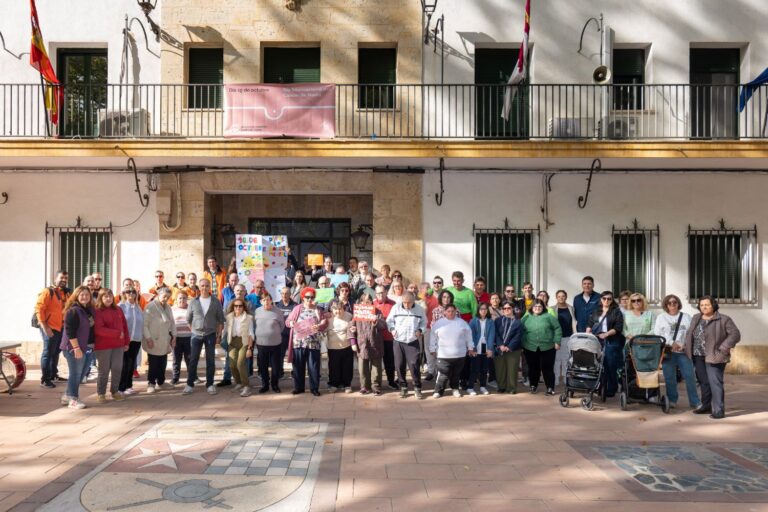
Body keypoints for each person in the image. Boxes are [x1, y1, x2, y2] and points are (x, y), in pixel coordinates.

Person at [684, 296, 741, 419]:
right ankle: (706, 406)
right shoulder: (696, 318)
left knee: (715, 382)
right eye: (702, 305)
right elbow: (690, 334)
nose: (704, 307)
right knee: (703, 382)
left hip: (715, 355)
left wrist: (724, 347)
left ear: (713, 305)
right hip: (697, 354)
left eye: (707, 305)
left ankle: (719, 410)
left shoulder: (724, 319)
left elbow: (735, 334)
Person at [654, 294, 699, 410]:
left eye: (675, 302)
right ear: (666, 305)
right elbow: (658, 334)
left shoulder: (686, 317)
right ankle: (672, 400)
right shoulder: (661, 318)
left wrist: (684, 345)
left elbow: (691, 333)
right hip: (668, 351)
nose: (672, 304)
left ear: (678, 304)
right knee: (670, 378)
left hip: (683, 351)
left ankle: (695, 402)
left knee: (689, 377)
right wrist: (671, 342)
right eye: (669, 303)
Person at [184, 278, 225, 395]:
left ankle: (210, 384)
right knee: (193, 360)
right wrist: (193, 330)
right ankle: (189, 384)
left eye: (207, 286)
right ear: (199, 287)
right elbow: (188, 319)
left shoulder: (215, 301)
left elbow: (221, 320)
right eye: (202, 285)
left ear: (210, 287)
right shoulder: (193, 302)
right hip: (196, 335)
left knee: (210, 360)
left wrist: (219, 335)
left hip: (210, 334)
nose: (204, 288)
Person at [286, 287, 328, 396]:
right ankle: (299, 387)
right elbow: (288, 321)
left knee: (313, 367)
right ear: (303, 298)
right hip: (298, 342)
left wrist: (320, 325)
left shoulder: (318, 309)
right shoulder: (297, 308)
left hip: (313, 343)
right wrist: (291, 323)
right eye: (307, 297)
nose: (309, 299)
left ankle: (314, 388)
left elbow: (325, 323)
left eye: (312, 297)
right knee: (298, 366)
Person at [386, 291, 427, 399]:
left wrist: (420, 330)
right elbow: (389, 321)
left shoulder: (419, 309)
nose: (406, 305)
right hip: (398, 341)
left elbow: (424, 323)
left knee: (414, 365)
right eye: (404, 302)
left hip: (412, 341)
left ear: (413, 301)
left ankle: (417, 388)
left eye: (408, 303)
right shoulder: (396, 308)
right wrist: (392, 329)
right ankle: (403, 387)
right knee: (399, 365)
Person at [60, 286, 95, 409]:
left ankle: (67, 395)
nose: (84, 297)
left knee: (82, 374)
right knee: (75, 374)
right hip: (73, 348)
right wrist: (76, 348)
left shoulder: (88, 309)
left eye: (87, 294)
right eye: (82, 295)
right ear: (76, 296)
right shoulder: (73, 311)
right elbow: (70, 331)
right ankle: (73, 400)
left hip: (87, 347)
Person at [430, 304, 475, 398]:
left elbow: (469, 336)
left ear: (456, 312)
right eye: (448, 311)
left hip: (460, 354)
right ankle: (438, 391)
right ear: (444, 312)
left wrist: (470, 348)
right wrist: (432, 349)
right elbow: (433, 337)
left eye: (453, 311)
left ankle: (455, 389)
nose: (451, 313)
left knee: (456, 374)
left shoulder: (462, 323)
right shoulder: (439, 323)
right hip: (443, 355)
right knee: (443, 374)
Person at [93, 289, 129, 403]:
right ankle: (101, 393)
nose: (108, 299)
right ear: (101, 298)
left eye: (110, 296)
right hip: (103, 346)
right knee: (104, 370)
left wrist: (126, 341)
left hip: (118, 345)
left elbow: (124, 326)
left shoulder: (118, 309)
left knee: (117, 368)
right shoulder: (98, 311)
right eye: (105, 297)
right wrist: (117, 333)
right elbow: (98, 329)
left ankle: (114, 391)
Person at [586, 291, 625, 398]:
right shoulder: (596, 311)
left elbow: (618, 327)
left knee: (610, 364)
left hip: (611, 340)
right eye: (604, 298)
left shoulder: (616, 312)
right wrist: (587, 333)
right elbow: (590, 324)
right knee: (596, 364)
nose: (606, 300)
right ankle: (599, 386)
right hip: (596, 340)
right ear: (601, 299)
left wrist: (606, 334)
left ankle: (611, 388)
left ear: (612, 300)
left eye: (609, 299)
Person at [36, 270, 70, 388]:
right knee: (48, 352)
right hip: (49, 326)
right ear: (55, 278)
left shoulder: (65, 293)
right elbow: (39, 309)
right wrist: (45, 327)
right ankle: (45, 379)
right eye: (61, 278)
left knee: (55, 352)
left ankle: (53, 375)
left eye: (66, 278)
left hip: (60, 327)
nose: (64, 280)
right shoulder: (48, 292)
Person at [521, 299, 562, 395]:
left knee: (547, 368)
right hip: (530, 347)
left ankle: (550, 388)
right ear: (532, 308)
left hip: (548, 347)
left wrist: (557, 341)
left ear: (543, 307)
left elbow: (557, 328)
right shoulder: (526, 318)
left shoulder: (549, 317)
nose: (537, 308)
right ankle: (533, 386)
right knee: (533, 368)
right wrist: (522, 343)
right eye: (535, 306)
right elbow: (521, 331)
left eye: (540, 306)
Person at [348, 292, 385, 395]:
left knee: (376, 367)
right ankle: (364, 386)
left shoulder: (377, 312)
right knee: (362, 367)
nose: (366, 303)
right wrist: (353, 337)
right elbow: (350, 327)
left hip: (375, 343)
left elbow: (383, 325)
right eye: (364, 301)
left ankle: (376, 386)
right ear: (360, 302)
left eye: (368, 301)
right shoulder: (357, 313)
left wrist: (376, 321)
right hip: (362, 344)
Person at [142, 288, 176, 393]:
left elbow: (172, 322)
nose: (165, 299)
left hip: (165, 339)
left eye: (168, 297)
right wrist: (148, 338)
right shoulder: (150, 306)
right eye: (164, 296)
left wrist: (174, 336)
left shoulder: (168, 307)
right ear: (158, 295)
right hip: (153, 339)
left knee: (163, 362)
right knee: (153, 363)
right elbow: (144, 325)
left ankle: (161, 382)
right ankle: (151, 383)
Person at [254, 294, 286, 393]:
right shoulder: (257, 311)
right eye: (264, 300)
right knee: (263, 366)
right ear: (261, 301)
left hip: (275, 343)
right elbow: (255, 325)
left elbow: (282, 326)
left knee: (276, 366)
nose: (266, 302)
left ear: (272, 300)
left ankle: (275, 385)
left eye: (268, 300)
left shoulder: (278, 312)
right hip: (261, 343)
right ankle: (265, 385)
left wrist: (273, 334)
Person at [224, 299, 254, 397]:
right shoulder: (229, 317)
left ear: (243, 307)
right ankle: (239, 383)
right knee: (232, 364)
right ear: (233, 307)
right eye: (236, 306)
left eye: (240, 306)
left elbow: (251, 334)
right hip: (232, 342)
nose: (238, 308)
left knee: (240, 364)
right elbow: (226, 330)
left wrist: (249, 348)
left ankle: (246, 386)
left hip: (244, 342)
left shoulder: (248, 318)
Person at [118, 288, 144, 396]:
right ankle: (121, 388)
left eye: (133, 292)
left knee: (132, 364)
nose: (131, 294)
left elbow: (141, 323)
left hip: (136, 340)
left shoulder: (138, 307)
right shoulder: (121, 306)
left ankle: (129, 385)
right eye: (128, 292)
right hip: (125, 340)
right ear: (124, 294)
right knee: (124, 364)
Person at [493, 301, 523, 393]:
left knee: (512, 369)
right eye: (504, 308)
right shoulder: (497, 320)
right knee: (500, 369)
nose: (506, 310)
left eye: (509, 308)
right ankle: (501, 386)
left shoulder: (518, 322)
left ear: (513, 309)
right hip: (499, 348)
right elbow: (496, 334)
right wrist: (500, 345)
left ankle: (512, 388)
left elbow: (518, 336)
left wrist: (509, 347)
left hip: (513, 349)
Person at [326, 300, 355, 393]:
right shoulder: (328, 318)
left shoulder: (349, 316)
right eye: (335, 309)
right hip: (332, 347)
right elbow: (322, 330)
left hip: (347, 346)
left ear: (344, 309)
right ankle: (334, 384)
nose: (338, 311)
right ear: (331, 310)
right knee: (334, 367)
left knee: (347, 367)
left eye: (340, 309)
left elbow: (354, 328)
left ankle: (347, 384)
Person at [373, 285, 398, 389]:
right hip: (376, 338)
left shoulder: (393, 304)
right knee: (376, 363)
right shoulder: (371, 304)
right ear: (375, 294)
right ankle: (376, 383)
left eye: (382, 292)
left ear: (386, 292)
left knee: (390, 362)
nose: (381, 295)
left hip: (389, 338)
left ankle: (391, 381)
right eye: (378, 293)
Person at [468, 302, 495, 395]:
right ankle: (470, 387)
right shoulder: (473, 321)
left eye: (485, 309)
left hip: (486, 348)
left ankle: (483, 386)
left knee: (484, 369)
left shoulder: (490, 321)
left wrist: (490, 349)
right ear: (478, 310)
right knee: (474, 369)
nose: (483, 311)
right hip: (476, 347)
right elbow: (470, 335)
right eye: (481, 309)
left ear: (487, 310)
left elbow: (492, 335)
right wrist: (472, 348)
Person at [553, 290, 576, 386]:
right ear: (556, 297)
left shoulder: (571, 308)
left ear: (566, 297)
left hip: (568, 336)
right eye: (559, 296)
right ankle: (556, 378)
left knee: (566, 358)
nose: (561, 298)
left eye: (563, 296)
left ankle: (566, 378)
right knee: (557, 359)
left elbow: (574, 321)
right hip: (557, 338)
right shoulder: (552, 309)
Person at [274, 287, 297, 379]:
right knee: (280, 354)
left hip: (293, 334)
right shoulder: (277, 305)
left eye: (286, 293)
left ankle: (295, 372)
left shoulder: (295, 305)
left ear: (290, 294)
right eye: (282, 293)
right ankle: (280, 372)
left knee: (295, 354)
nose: (284, 295)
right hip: (280, 335)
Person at [170, 291, 193, 385]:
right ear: (176, 299)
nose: (182, 300)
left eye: (184, 298)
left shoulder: (191, 309)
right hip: (176, 338)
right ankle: (175, 377)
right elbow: (170, 323)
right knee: (176, 359)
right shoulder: (172, 309)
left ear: (187, 299)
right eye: (180, 298)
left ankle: (192, 377)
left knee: (189, 358)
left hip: (189, 337)